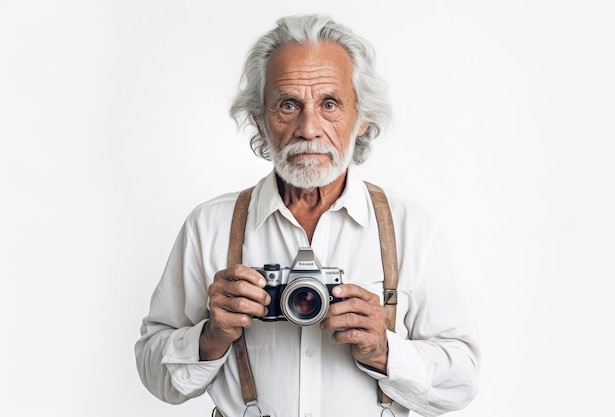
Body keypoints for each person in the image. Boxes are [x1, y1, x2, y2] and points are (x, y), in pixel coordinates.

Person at [135, 14, 479, 417]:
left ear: (362, 117)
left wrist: (384, 349)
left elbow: (463, 382)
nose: (309, 128)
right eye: (287, 105)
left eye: (329, 104)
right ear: (260, 120)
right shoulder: (209, 226)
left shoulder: (411, 228)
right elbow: (153, 371)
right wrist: (211, 336)